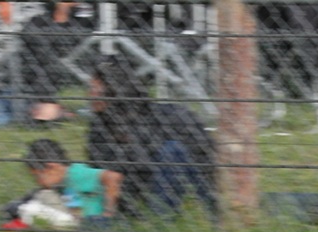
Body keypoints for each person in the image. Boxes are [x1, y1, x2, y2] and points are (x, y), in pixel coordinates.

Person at [85, 55, 218, 219]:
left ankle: (166, 216)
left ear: (112, 90)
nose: (89, 95)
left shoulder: (153, 118)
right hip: (127, 198)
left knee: (172, 151)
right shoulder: (99, 126)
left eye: (94, 89)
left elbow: (137, 166)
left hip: (167, 188)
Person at [19, 136, 120, 223]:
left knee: (43, 196)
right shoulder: (63, 180)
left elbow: (113, 176)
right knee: (38, 197)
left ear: (52, 167)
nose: (38, 182)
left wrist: (108, 213)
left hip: (88, 219)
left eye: (38, 176)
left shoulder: (76, 173)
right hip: (77, 216)